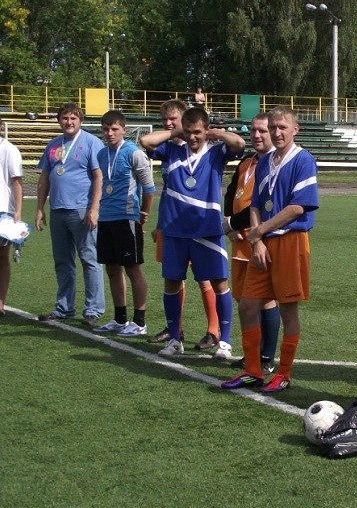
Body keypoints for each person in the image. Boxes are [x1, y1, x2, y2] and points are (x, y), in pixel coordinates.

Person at [221, 106, 318, 393]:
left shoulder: (303, 160)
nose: (276, 132)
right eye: (273, 127)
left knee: (288, 310)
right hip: (263, 242)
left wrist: (259, 231)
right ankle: (253, 370)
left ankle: (283, 373)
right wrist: (258, 241)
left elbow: (298, 207)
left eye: (282, 127)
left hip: (290, 241)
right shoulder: (264, 161)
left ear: (295, 129)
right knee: (247, 305)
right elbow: (254, 205)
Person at [140, 107, 245, 358]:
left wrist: (215, 133)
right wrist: (175, 132)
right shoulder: (172, 150)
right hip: (175, 230)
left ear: (205, 130)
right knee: (172, 283)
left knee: (219, 283)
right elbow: (145, 141)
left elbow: (239, 143)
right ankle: (175, 340)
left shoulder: (216, 153)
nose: (192, 137)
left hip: (207, 230)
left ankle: (224, 341)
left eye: (197, 132)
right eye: (188, 132)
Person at [148, 99, 221, 350]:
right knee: (173, 277)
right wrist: (160, 223)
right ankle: (174, 329)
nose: (169, 123)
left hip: (198, 224)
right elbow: (167, 190)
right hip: (172, 223)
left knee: (205, 278)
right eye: (165, 120)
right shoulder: (167, 149)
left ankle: (213, 330)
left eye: (174, 119)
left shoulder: (202, 149)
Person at [35, 102, 105, 326]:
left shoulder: (92, 142)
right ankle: (64, 308)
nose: (69, 122)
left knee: (89, 259)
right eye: (65, 118)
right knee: (63, 261)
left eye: (73, 118)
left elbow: (99, 176)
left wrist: (94, 208)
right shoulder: (53, 144)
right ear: (59, 121)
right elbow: (44, 178)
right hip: (58, 209)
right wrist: (39, 208)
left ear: (80, 120)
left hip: (82, 210)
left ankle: (93, 309)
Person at [222, 113, 281, 375]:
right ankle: (252, 355)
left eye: (263, 131)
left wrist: (232, 223)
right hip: (240, 240)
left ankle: (266, 357)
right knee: (244, 300)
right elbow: (230, 193)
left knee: (265, 299)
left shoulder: (276, 163)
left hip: (262, 240)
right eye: (253, 131)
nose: (256, 135)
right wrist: (230, 223)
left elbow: (266, 204)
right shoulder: (246, 162)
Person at [91, 111, 156, 337]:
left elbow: (149, 189)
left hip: (127, 217)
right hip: (106, 218)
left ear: (124, 130)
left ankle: (139, 321)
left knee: (132, 268)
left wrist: (143, 213)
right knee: (111, 269)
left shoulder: (133, 153)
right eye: (105, 129)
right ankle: (120, 319)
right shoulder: (101, 154)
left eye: (114, 129)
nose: (109, 133)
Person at [0, 118, 23, 316]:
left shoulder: (9, 149)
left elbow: (16, 181)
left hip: (3, 210)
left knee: (1, 257)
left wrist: (18, 211)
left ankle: (0, 302)